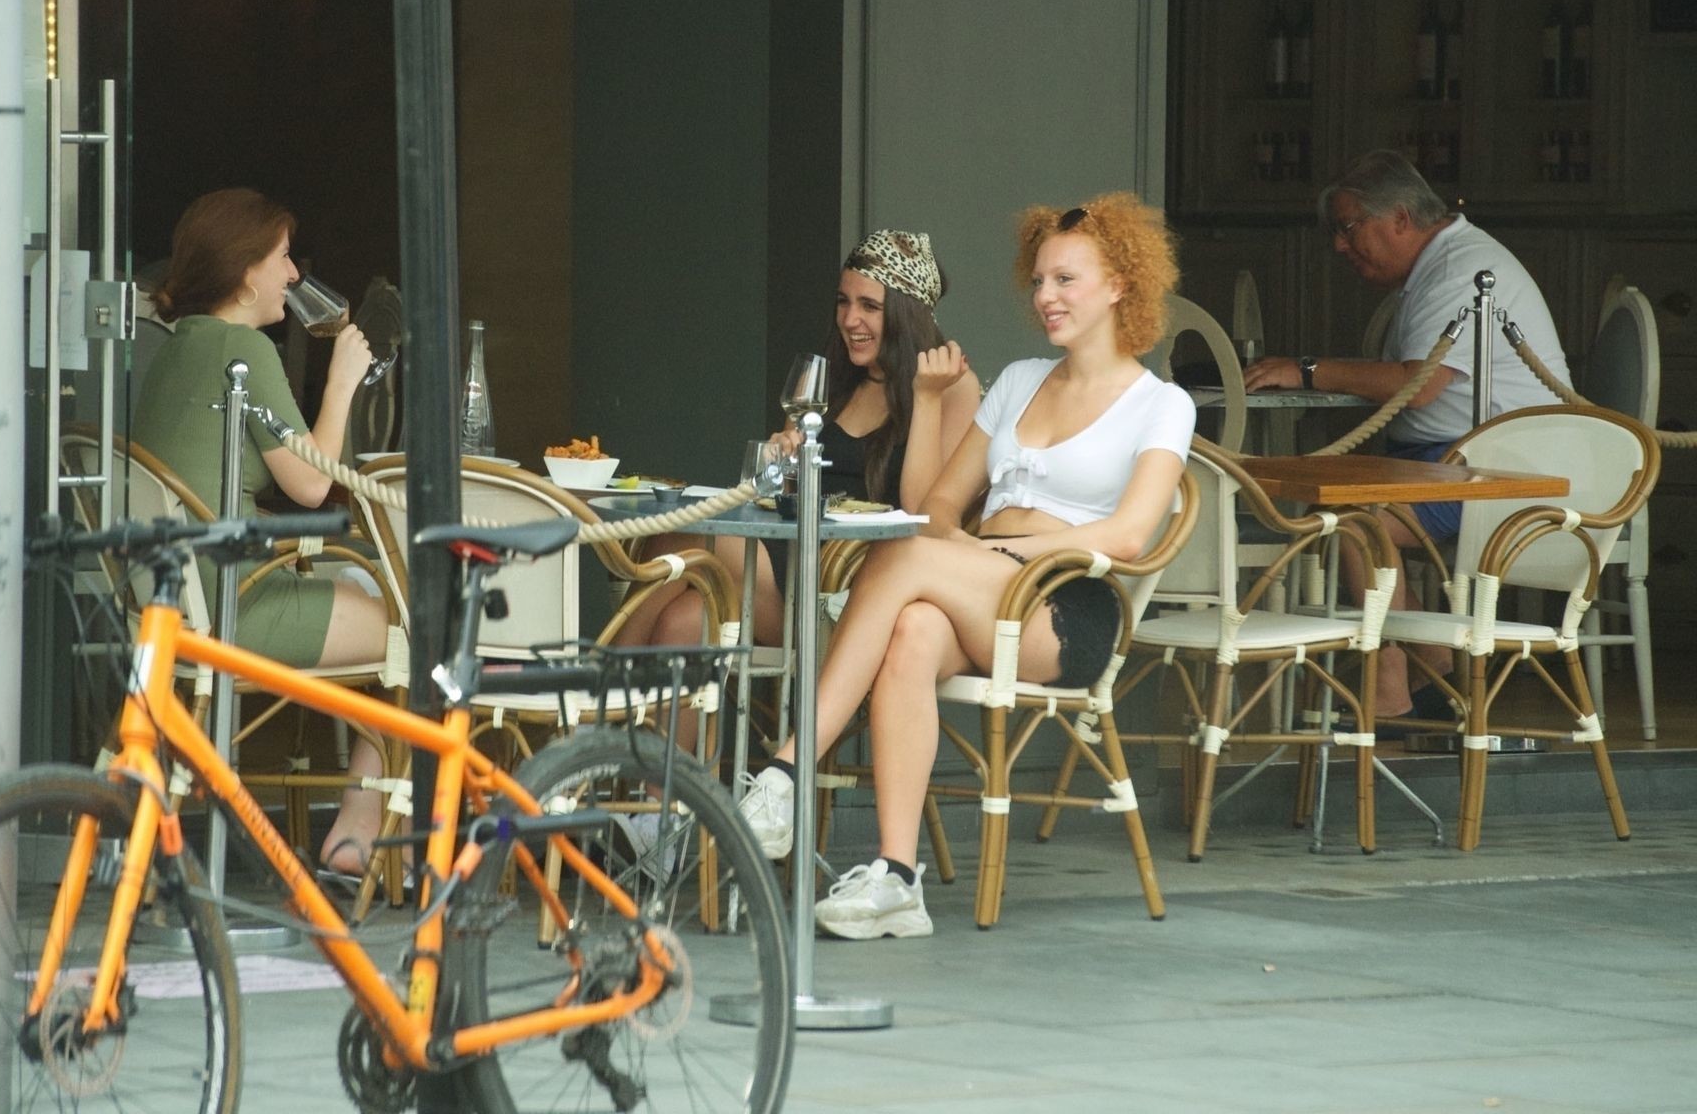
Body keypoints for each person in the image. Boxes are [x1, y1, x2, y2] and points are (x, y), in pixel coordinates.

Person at [741, 194, 1194, 939]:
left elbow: (1130, 534)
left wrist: (1000, 552)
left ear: (1120, 285)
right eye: (1039, 280)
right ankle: (896, 877)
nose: (1045, 296)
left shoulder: (1161, 404)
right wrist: (929, 415)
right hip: (984, 590)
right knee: (914, 628)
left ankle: (786, 774)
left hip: (1065, 606)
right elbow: (938, 508)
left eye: (1066, 280)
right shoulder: (1018, 380)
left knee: (905, 558)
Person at [1242, 150, 1572, 721]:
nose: (1339, 245)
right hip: (1456, 458)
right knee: (1345, 511)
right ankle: (1433, 666)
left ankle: (1390, 690)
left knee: (1356, 521)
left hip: (1503, 468)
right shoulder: (1442, 263)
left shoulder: (1460, 269)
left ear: (1399, 217)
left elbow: (1415, 386)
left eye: (1348, 227)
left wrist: (1306, 371)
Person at [134, 187, 392, 879]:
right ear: (246, 272)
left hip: (166, 601)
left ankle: (350, 825)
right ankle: (356, 832)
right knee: (418, 633)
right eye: (282, 257)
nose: (294, 274)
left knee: (362, 589)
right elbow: (311, 484)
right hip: (229, 606)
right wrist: (342, 381)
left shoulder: (177, 348)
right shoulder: (244, 348)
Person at [618, 229, 982, 652]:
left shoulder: (951, 386)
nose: (850, 319)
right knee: (682, 621)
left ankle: (596, 677)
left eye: (870, 306)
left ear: (908, 315)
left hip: (851, 591)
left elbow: (924, 518)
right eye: (843, 301)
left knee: (681, 535)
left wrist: (926, 396)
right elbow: (784, 499)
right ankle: (620, 694)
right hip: (790, 558)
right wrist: (783, 464)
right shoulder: (834, 376)